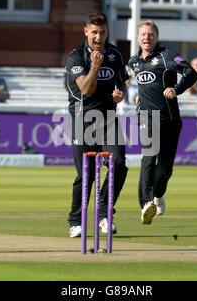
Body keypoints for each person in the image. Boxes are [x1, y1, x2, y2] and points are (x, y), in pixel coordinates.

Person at [65, 12, 129, 238]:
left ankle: (104, 213)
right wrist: (94, 65)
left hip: (109, 118)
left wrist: (121, 94)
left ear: (107, 32)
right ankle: (75, 221)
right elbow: (86, 89)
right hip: (83, 119)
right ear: (86, 31)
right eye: (94, 32)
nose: (98, 37)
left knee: (119, 165)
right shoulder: (76, 57)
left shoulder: (115, 54)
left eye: (102, 32)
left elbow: (122, 84)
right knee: (87, 174)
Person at [128, 20, 197, 225]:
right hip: (146, 118)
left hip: (170, 119)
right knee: (148, 158)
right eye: (143, 35)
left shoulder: (167, 55)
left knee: (166, 168)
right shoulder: (134, 61)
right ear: (138, 37)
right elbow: (143, 82)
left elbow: (192, 73)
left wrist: (177, 89)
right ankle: (146, 203)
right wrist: (139, 96)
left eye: (150, 35)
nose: (146, 38)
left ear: (156, 37)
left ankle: (157, 195)